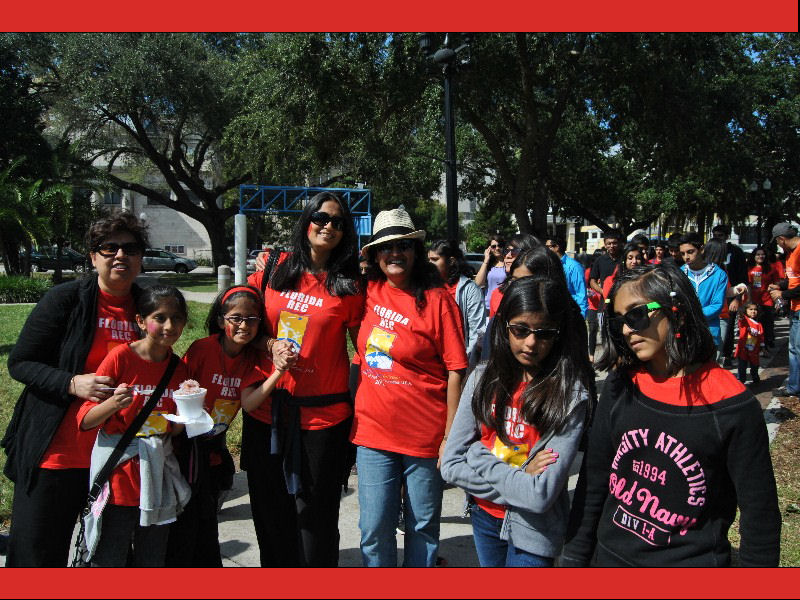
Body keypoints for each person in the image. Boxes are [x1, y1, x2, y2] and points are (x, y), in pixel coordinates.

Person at [561, 264, 781, 567]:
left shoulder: (732, 405)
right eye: (619, 321)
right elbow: (594, 480)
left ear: (676, 311)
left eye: (637, 316)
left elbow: (761, 515)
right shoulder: (620, 385)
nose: (626, 330)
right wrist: (573, 556)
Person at [2, 212, 147, 567]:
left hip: (119, 461)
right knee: (37, 557)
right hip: (58, 453)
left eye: (130, 248)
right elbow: (21, 363)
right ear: (93, 256)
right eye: (108, 247)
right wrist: (71, 382)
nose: (120, 256)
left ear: (141, 257)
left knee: (107, 560)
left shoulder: (150, 306)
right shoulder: (65, 300)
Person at [244, 191, 364, 567]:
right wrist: (269, 342)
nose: (328, 227)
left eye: (338, 223)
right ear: (306, 221)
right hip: (267, 410)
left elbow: (364, 350)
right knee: (271, 514)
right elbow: (239, 323)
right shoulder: (273, 268)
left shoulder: (349, 285)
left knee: (316, 517)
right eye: (321, 218)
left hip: (323, 419)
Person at [441, 276, 592, 567]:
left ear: (558, 334)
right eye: (520, 330)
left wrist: (476, 455)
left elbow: (538, 497)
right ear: (504, 327)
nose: (531, 343)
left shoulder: (570, 396)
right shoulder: (483, 378)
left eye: (544, 333)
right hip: (484, 518)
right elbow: (449, 465)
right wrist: (521, 477)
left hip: (534, 529)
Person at [350, 206, 467, 567]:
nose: (395, 253)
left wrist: (450, 436)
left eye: (404, 246)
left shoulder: (438, 300)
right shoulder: (366, 291)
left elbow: (457, 370)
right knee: (373, 528)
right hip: (373, 433)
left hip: (425, 437)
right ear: (374, 255)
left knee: (422, 527)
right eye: (386, 247)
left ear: (416, 252)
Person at [78, 285, 192, 567]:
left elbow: (173, 430)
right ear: (141, 321)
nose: (169, 326)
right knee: (109, 560)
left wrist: (189, 411)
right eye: (160, 317)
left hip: (157, 479)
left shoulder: (179, 368)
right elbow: (85, 420)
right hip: (119, 482)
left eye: (177, 318)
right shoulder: (120, 357)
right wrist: (115, 403)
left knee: (152, 561)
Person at [166, 284, 269, 567]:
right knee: (186, 522)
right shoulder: (202, 349)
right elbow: (179, 390)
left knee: (206, 521)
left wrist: (278, 371)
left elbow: (249, 403)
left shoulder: (253, 359)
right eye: (236, 317)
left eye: (252, 319)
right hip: (185, 447)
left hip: (213, 449)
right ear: (222, 319)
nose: (244, 325)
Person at [428, 239, 486, 367]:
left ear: (451, 261)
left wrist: (464, 365)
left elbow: (477, 333)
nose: (430, 264)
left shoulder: (470, 289)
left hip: (460, 364)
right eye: (429, 260)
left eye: (435, 259)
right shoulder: (427, 288)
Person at [679, 232, 727, 347]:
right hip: (686, 336)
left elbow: (716, 306)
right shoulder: (679, 273)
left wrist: (691, 314)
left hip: (710, 335)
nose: (686, 257)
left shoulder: (718, 275)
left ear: (701, 249)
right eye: (683, 253)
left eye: (690, 252)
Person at [769, 223, 800, 397]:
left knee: (797, 349)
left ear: (782, 239)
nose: (779, 245)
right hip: (795, 308)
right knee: (794, 349)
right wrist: (780, 285)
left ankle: (795, 386)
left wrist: (783, 293)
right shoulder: (790, 254)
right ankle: (794, 385)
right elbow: (794, 280)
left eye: (778, 242)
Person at [545, 236, 588, 317]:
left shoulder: (574, 267)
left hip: (569, 313)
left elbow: (581, 293)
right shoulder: (548, 265)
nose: (545, 250)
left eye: (548, 247)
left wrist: (581, 317)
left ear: (556, 247)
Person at [748, 246, 781, 351]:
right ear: (753, 256)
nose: (760, 256)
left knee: (767, 324)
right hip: (753, 300)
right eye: (758, 254)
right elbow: (747, 285)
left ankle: (766, 344)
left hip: (767, 300)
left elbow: (777, 283)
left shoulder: (771, 268)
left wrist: (777, 299)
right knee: (753, 325)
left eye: (762, 254)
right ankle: (752, 347)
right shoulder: (749, 268)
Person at [474, 235, 506, 315]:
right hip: (488, 307)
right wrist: (486, 260)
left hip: (504, 306)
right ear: (489, 249)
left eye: (500, 245)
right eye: (493, 246)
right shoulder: (488, 264)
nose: (497, 248)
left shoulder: (508, 263)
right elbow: (478, 283)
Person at [589, 229, 623, 298]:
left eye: (614, 243)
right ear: (605, 244)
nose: (611, 246)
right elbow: (592, 281)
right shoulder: (600, 260)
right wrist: (603, 291)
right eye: (609, 243)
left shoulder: (625, 259)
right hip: (605, 301)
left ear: (619, 243)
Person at [735, 303, 764, 385]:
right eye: (750, 309)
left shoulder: (759, 325)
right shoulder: (744, 320)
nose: (753, 311)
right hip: (743, 349)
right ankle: (741, 380)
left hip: (754, 349)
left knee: (755, 365)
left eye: (755, 309)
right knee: (742, 366)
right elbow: (741, 319)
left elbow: (761, 336)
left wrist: (762, 347)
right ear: (746, 311)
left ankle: (755, 378)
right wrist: (740, 313)